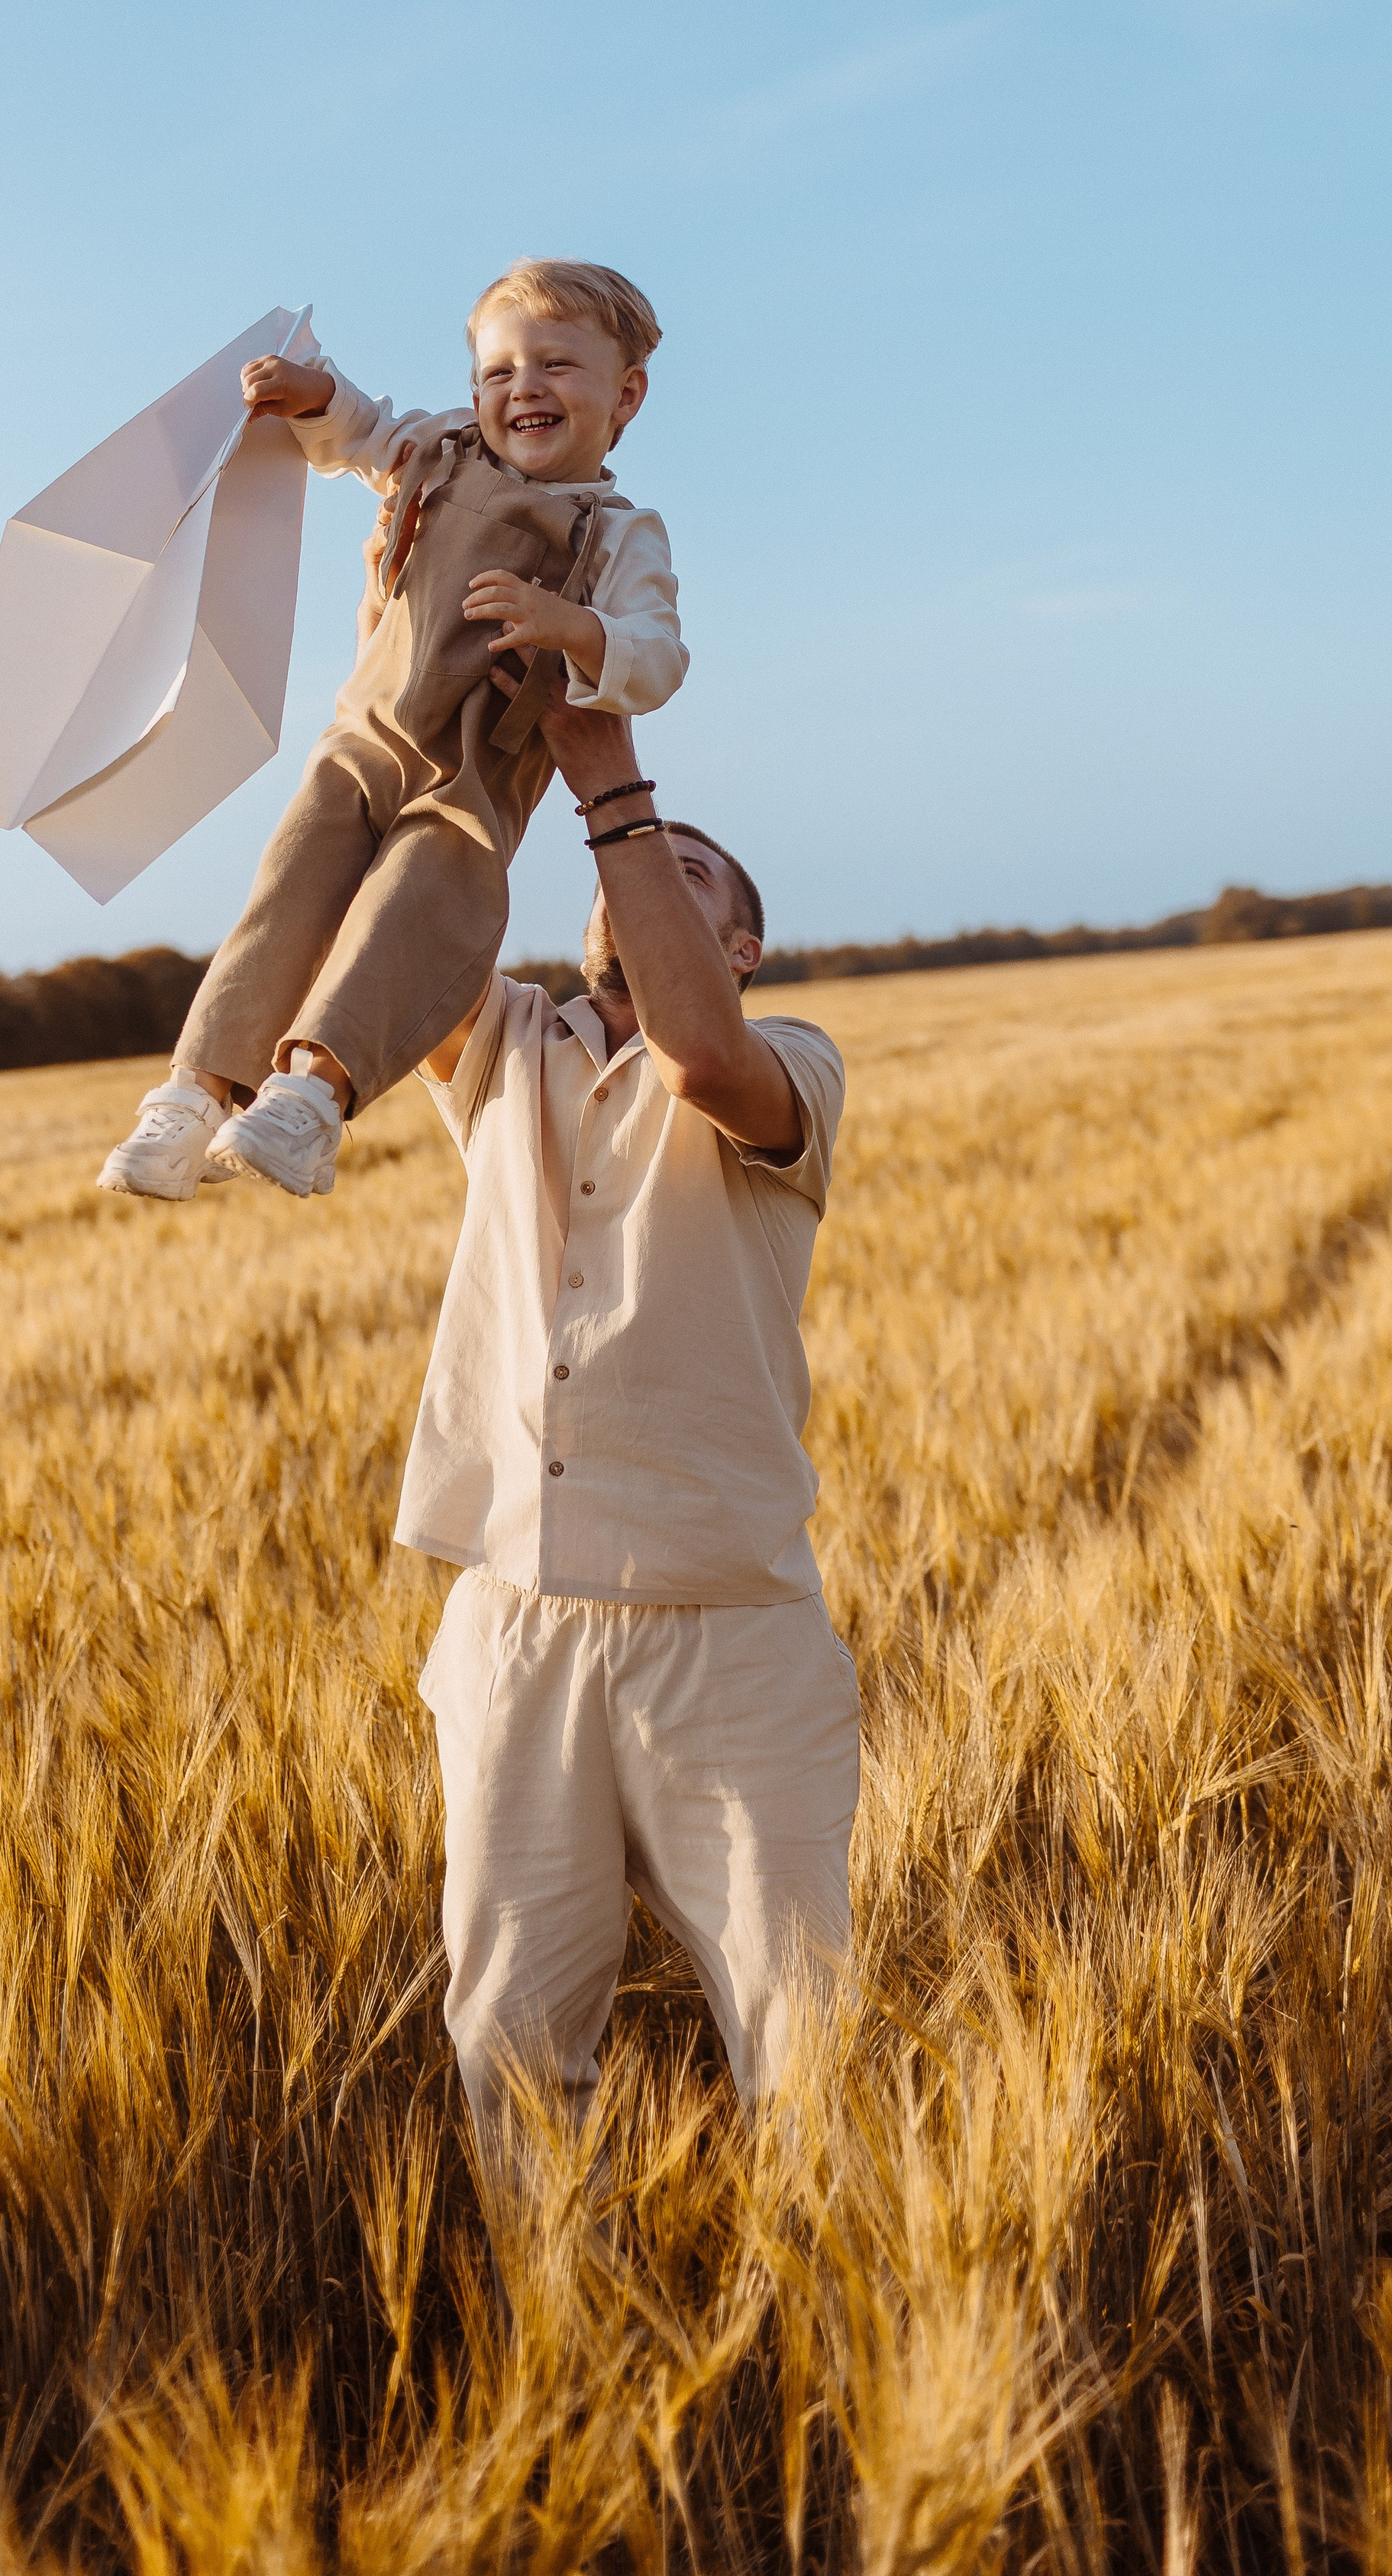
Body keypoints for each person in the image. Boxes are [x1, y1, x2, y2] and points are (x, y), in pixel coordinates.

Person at [402, 651, 861, 2148]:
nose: (632, 873)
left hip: (727, 1628)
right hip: (514, 1618)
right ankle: (561, 2344)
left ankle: (839, 2336)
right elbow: (395, 901)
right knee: (511, 2041)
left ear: (739, 945)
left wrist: (612, 776)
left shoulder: (784, 1063)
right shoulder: (505, 1048)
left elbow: (699, 1053)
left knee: (801, 2033)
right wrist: (415, 678)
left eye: (682, 871)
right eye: (618, 866)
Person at [98, 261, 686, 1203]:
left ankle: (311, 1097)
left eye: (555, 367)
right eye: (498, 372)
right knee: (286, 893)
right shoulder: (445, 449)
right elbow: (365, 433)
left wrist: (570, 624)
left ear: (626, 396)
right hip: (361, 741)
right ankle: (193, 1093)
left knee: (413, 912)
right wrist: (314, 395)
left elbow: (656, 657)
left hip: (472, 777)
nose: (522, 388)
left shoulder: (618, 534)